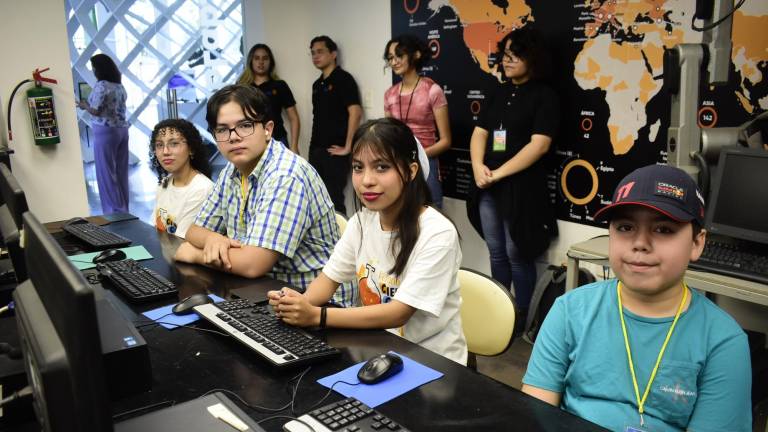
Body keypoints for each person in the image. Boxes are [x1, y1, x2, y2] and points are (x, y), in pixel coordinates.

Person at [522, 164, 752, 431]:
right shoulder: (569, 311)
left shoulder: (722, 342)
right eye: (625, 227)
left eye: (663, 229)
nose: (640, 242)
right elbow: (535, 416)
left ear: (697, 243)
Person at [267, 118, 467, 365]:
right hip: (379, 350)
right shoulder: (361, 222)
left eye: (382, 167)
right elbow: (327, 280)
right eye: (358, 167)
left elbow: (397, 313)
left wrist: (316, 316)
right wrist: (296, 305)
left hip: (432, 362)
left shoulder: (437, 233)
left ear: (411, 171)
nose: (366, 180)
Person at [174, 84, 354, 307]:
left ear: (267, 129)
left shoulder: (286, 175)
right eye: (222, 130)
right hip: (263, 291)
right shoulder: (232, 170)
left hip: (315, 303)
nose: (234, 137)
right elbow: (195, 230)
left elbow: (252, 264)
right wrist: (213, 238)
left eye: (245, 125)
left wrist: (196, 255)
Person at [467, 27, 558, 316]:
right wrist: (478, 167)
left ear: (532, 59)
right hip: (488, 184)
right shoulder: (499, 91)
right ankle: (498, 312)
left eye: (514, 55)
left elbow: (540, 145)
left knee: (517, 252)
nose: (506, 61)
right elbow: (480, 133)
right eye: (505, 55)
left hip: (521, 186)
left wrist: (500, 172)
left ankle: (522, 316)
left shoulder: (545, 95)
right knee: (496, 251)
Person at [384, 34, 451, 208]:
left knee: (432, 215)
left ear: (415, 55)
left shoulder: (432, 91)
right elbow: (388, 136)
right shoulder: (389, 94)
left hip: (428, 163)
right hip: (399, 165)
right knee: (402, 217)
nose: (394, 61)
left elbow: (446, 141)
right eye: (390, 58)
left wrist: (418, 156)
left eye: (399, 55)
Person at [309, 35, 363, 215]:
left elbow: (355, 112)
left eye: (320, 52)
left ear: (333, 54)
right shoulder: (317, 84)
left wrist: (348, 146)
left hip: (335, 151)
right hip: (316, 150)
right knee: (315, 199)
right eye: (313, 53)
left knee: (333, 200)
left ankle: (340, 242)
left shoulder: (344, 79)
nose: (316, 56)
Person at [78, 53, 130, 214]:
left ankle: (113, 210)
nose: (92, 70)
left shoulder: (102, 85)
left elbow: (96, 110)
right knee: (121, 171)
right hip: (122, 130)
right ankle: (124, 208)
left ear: (98, 69)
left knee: (106, 172)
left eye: (93, 67)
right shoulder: (119, 86)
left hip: (105, 132)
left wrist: (84, 105)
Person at [149, 119, 214, 239]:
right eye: (159, 145)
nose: (165, 152)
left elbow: (180, 241)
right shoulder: (164, 182)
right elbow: (153, 228)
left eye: (174, 144)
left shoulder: (202, 189)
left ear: (191, 149)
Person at [237, 44, 300, 154]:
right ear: (251, 61)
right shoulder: (242, 87)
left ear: (271, 62)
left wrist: (294, 146)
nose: (261, 62)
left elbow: (294, 118)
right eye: (257, 58)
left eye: (265, 58)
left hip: (278, 139)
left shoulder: (280, 85)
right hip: (250, 141)